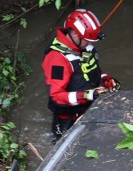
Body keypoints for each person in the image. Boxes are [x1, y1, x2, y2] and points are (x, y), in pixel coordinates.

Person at [43, 9, 118, 139]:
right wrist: (86, 95)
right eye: (87, 40)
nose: (90, 44)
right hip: (69, 119)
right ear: (75, 35)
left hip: (90, 107)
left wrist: (106, 79)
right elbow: (56, 96)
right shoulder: (57, 59)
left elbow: (90, 71)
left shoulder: (84, 47)